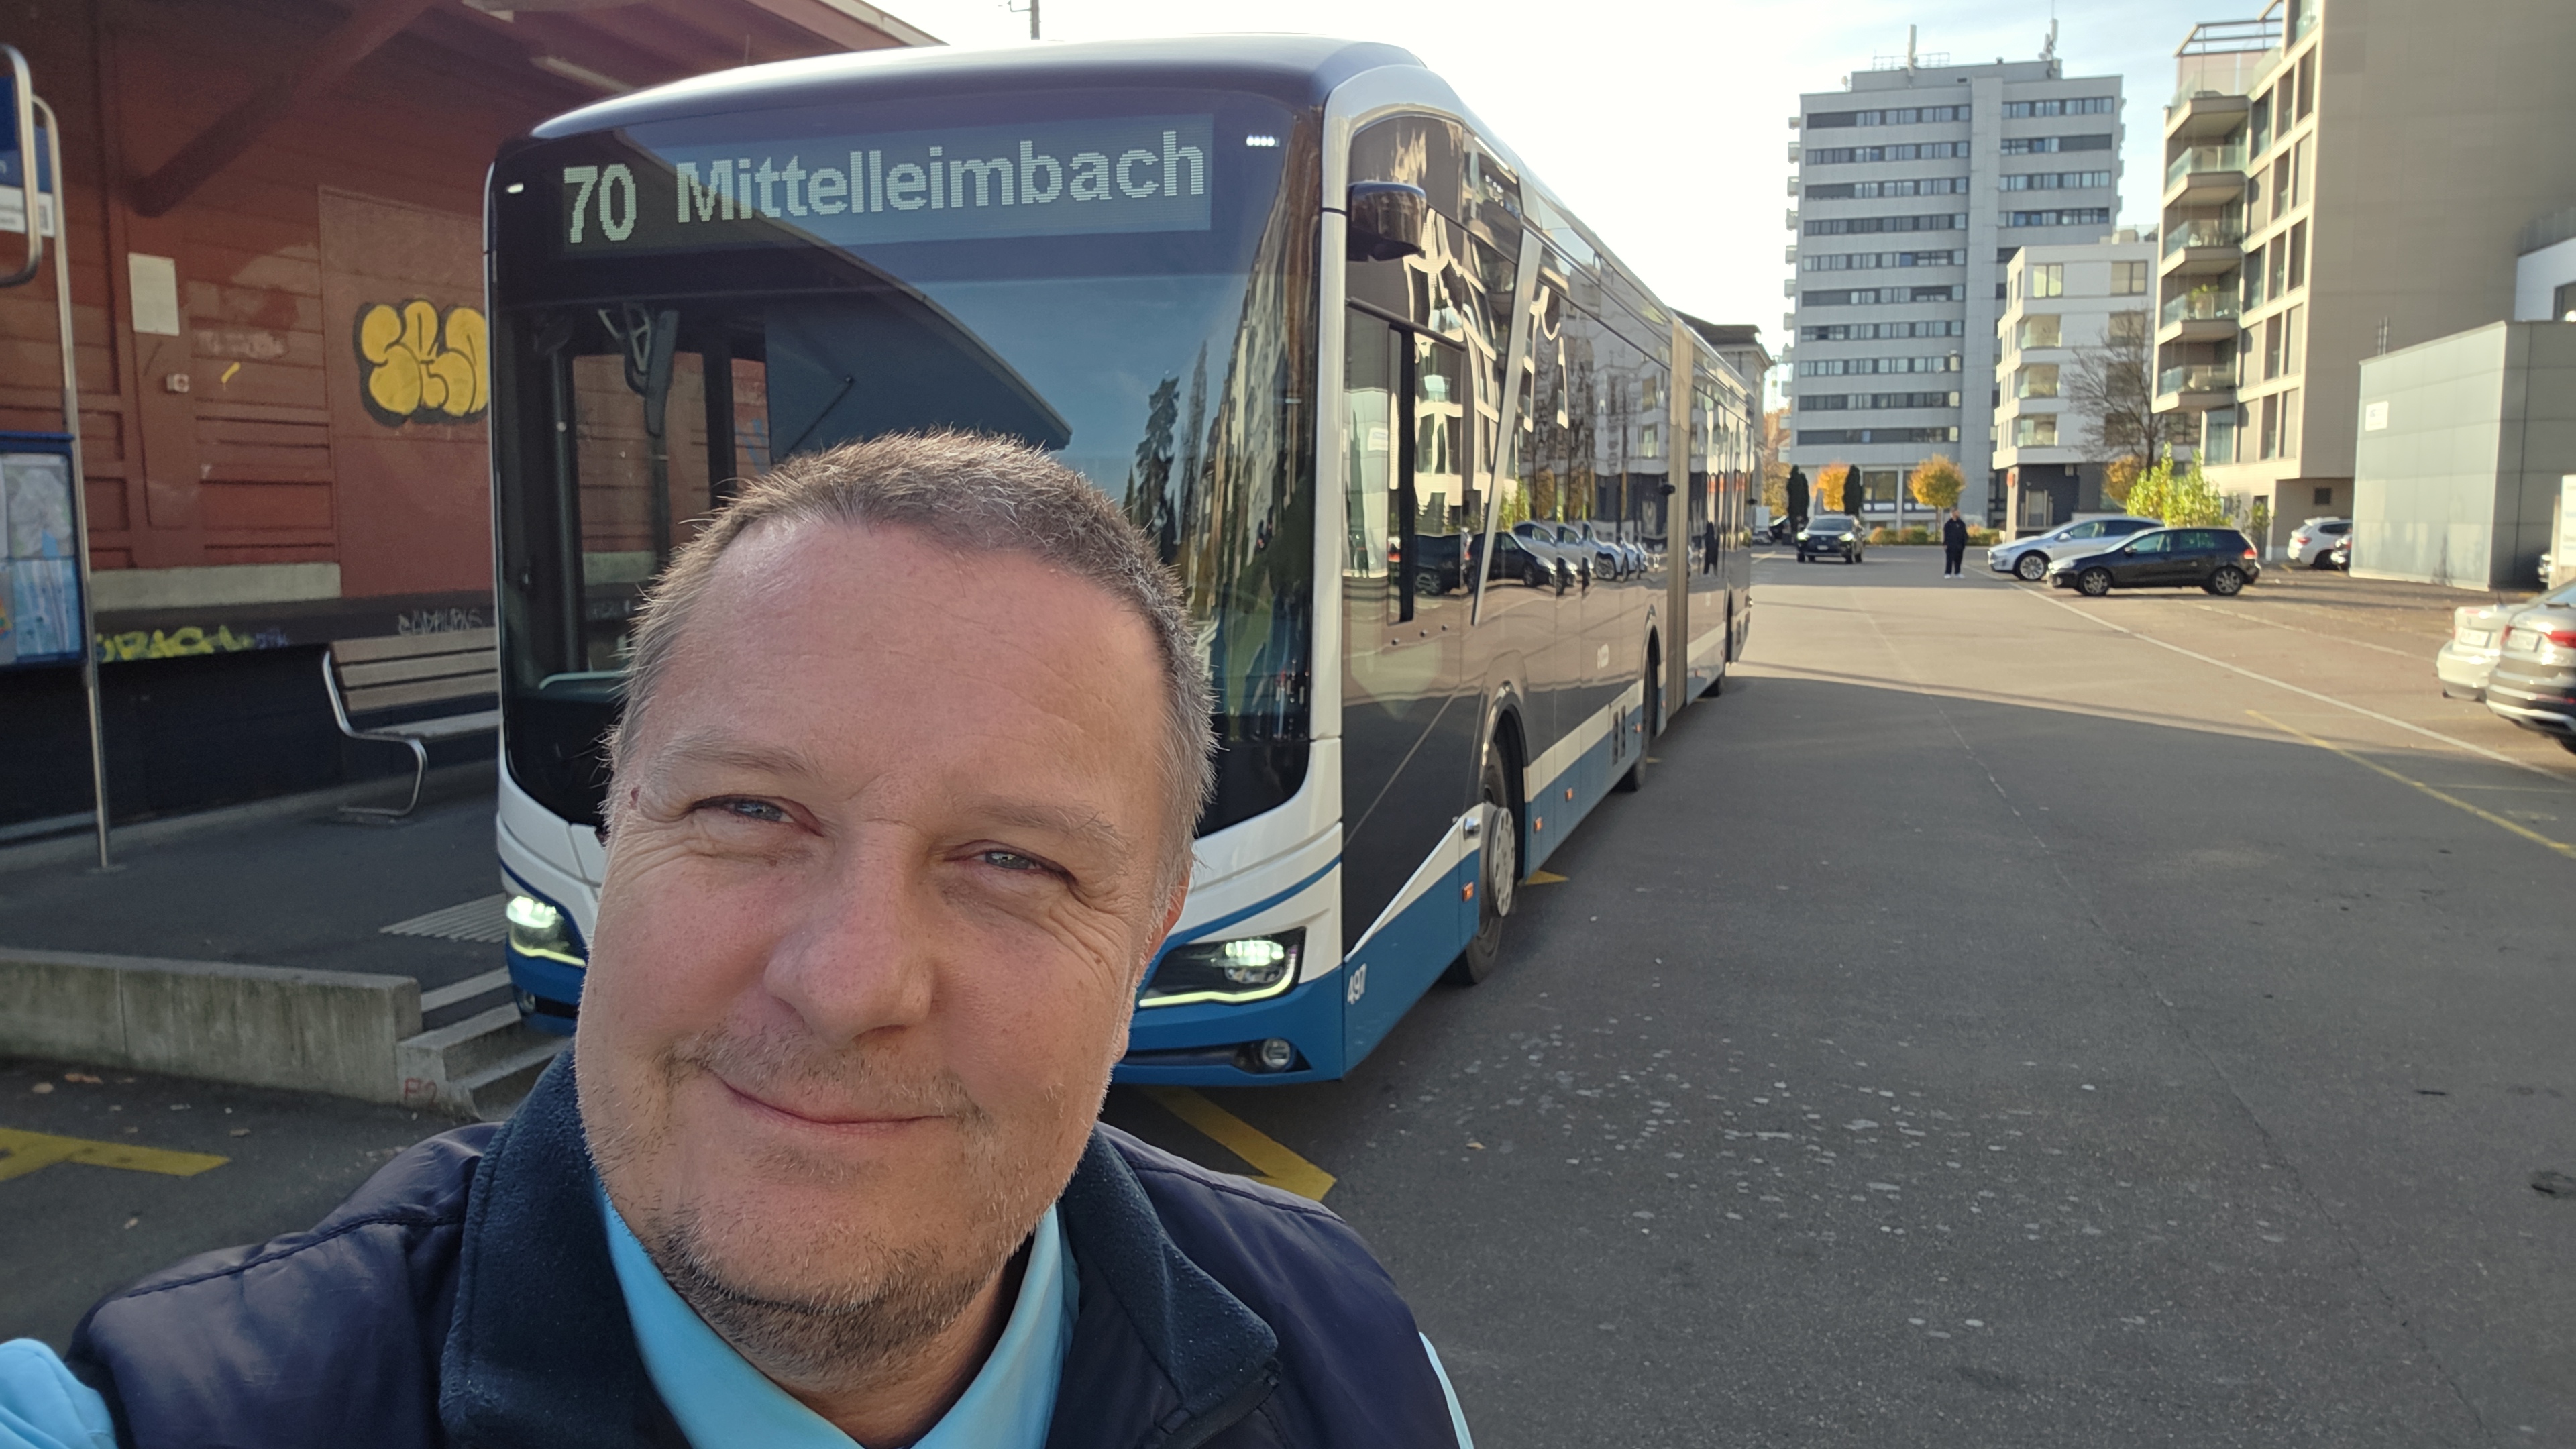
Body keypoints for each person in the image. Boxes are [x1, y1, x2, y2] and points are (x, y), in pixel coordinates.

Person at [1, 433, 1474, 1449]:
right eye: (750, 810)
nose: (845, 983)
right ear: (615, 828)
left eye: (1013, 861)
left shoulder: (1360, 1362)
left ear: (1149, 936)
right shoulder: (159, 1418)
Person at [1942, 507, 1970, 578]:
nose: (1959, 513)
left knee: (1959, 559)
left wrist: (1965, 541)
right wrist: (1945, 543)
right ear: (1953, 513)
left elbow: (1964, 533)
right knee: (1950, 559)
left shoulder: (1961, 523)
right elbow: (1945, 534)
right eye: (1957, 512)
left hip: (1960, 545)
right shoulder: (1948, 524)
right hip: (1951, 545)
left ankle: (1957, 572)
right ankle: (1948, 573)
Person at [1784, 465, 1811, 535]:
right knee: (1801, 522)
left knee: (1794, 523)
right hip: (1801, 504)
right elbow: (1805, 492)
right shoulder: (1801, 479)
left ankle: (1794, 532)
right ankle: (1799, 532)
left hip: (1793, 505)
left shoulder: (1792, 480)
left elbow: (1788, 491)